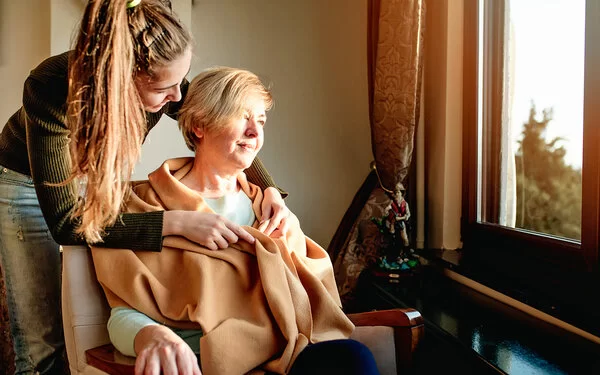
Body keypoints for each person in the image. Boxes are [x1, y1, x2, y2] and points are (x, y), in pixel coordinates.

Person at [0, 1, 289, 374]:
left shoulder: (163, 77)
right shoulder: (51, 89)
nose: (178, 98)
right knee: (43, 341)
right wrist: (176, 222)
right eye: (165, 89)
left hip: (92, 181)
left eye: (179, 82)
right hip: (23, 183)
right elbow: (68, 224)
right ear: (122, 80)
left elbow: (210, 118)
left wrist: (268, 190)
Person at [91, 67, 380, 375]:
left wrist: (286, 224)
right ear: (200, 125)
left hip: (285, 357)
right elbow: (123, 314)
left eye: (261, 120)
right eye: (242, 117)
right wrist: (152, 335)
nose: (255, 133)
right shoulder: (145, 207)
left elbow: (312, 301)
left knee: (352, 358)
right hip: (202, 363)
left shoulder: (269, 208)